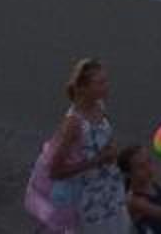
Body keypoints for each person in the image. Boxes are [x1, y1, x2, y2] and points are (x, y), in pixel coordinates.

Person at [31, 57, 127, 234]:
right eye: (100, 83)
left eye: (106, 81)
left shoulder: (99, 105)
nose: (106, 86)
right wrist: (97, 161)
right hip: (87, 197)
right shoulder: (73, 124)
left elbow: (104, 134)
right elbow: (55, 171)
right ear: (83, 88)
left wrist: (111, 148)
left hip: (107, 187)